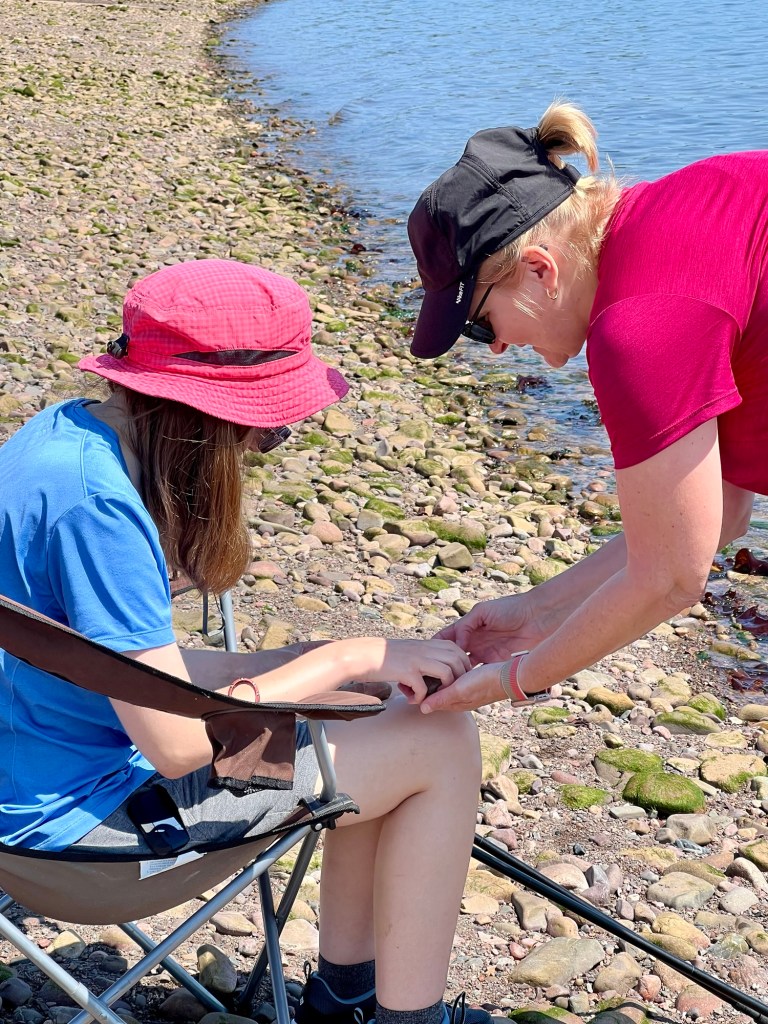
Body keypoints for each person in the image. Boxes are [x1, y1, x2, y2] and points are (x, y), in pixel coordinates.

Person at [0, 259, 488, 1024]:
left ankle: (349, 999)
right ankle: (403, 1017)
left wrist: (293, 665)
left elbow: (114, 666)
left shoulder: (64, 440)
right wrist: (346, 658)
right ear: (205, 415)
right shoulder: (101, 513)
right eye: (268, 425)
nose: (269, 441)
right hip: (86, 846)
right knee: (438, 740)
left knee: (379, 714)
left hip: (29, 792)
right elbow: (177, 746)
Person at [405, 101, 768, 715]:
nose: (495, 347)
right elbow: (718, 516)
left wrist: (515, 680)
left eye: (478, 322)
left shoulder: (641, 329)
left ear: (539, 270)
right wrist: (536, 614)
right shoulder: (689, 204)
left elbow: (672, 578)